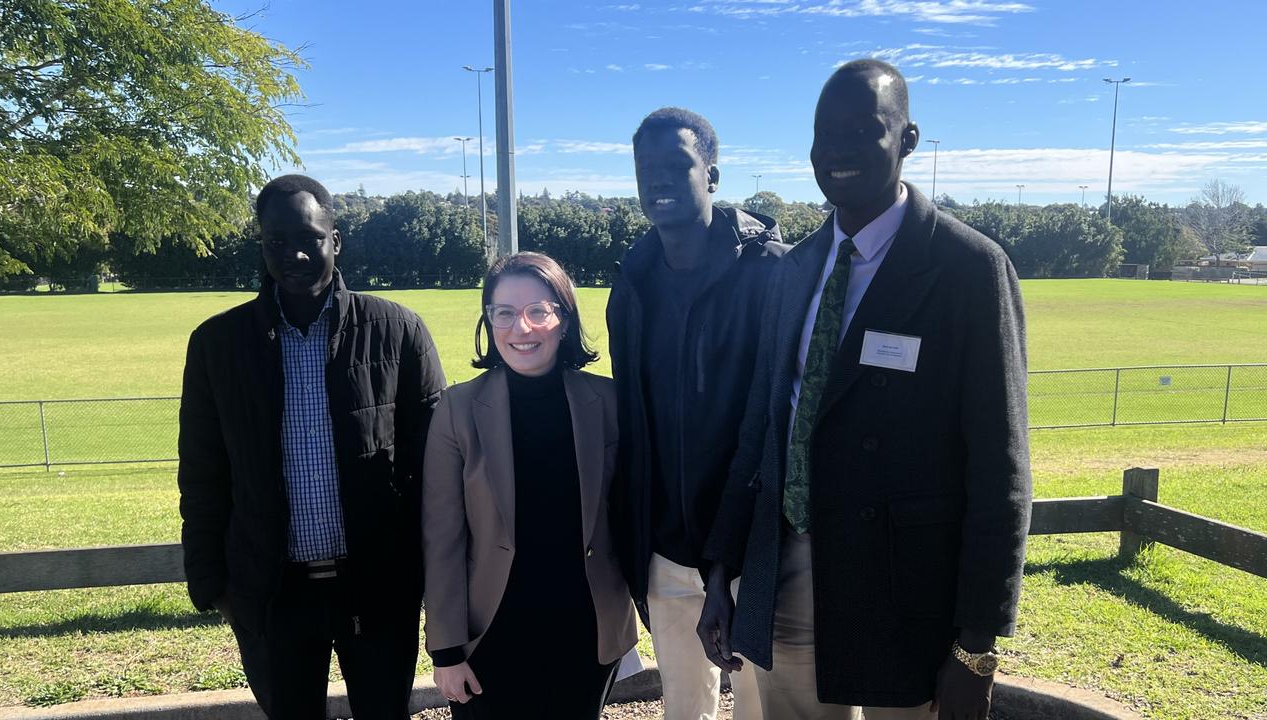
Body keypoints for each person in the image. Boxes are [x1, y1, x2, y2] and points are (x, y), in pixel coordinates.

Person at [696, 60, 1033, 720]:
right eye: (826, 134)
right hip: (787, 571)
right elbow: (763, 430)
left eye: (863, 129)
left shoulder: (968, 269)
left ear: (907, 139)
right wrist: (720, 570)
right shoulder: (791, 270)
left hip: (906, 588)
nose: (839, 151)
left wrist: (977, 648)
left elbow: (1002, 470)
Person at [177, 174, 446, 719]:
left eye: (309, 238)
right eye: (276, 242)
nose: (294, 253)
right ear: (261, 244)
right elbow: (202, 473)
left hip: (376, 588)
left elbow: (437, 464)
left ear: (335, 240)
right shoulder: (216, 344)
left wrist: (425, 573)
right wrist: (213, 585)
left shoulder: (396, 330)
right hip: (272, 593)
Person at [607, 106, 787, 720]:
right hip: (665, 548)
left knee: (762, 707)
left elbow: (770, 425)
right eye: (644, 168)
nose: (657, 179)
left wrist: (729, 557)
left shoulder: (769, 273)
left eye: (676, 164)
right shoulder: (630, 284)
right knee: (685, 706)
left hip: (753, 546)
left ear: (711, 174)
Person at [423, 252, 637, 720]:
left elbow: (630, 515)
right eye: (504, 313)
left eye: (538, 311)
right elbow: (442, 539)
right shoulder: (457, 410)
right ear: (489, 321)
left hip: (586, 630)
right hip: (490, 633)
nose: (521, 328)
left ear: (564, 318)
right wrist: (445, 651)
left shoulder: (608, 402)